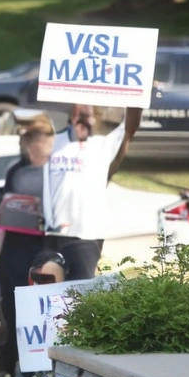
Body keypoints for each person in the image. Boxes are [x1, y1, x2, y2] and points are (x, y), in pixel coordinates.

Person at [0, 115, 55, 377]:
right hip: (12, 250)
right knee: (11, 312)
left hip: (42, 250)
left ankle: (35, 371)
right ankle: (9, 367)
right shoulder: (16, 171)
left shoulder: (56, 171)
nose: (36, 148)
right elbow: (4, 214)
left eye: (42, 142)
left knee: (38, 314)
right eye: (31, 143)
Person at [43, 104, 142, 280]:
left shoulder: (102, 145)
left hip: (87, 235)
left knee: (79, 292)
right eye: (78, 116)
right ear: (71, 117)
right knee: (49, 291)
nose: (83, 121)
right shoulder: (52, 143)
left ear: (95, 119)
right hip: (53, 234)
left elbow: (128, 128)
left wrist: (137, 101)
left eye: (87, 116)